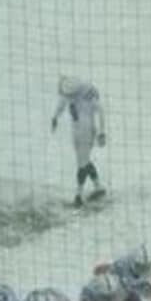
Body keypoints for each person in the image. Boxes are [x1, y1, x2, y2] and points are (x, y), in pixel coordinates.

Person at [50, 75, 107, 205]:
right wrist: (54, 118)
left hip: (85, 131)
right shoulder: (72, 91)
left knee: (82, 163)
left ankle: (78, 195)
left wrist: (102, 133)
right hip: (78, 131)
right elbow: (61, 105)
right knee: (84, 160)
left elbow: (100, 111)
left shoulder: (85, 94)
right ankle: (98, 186)